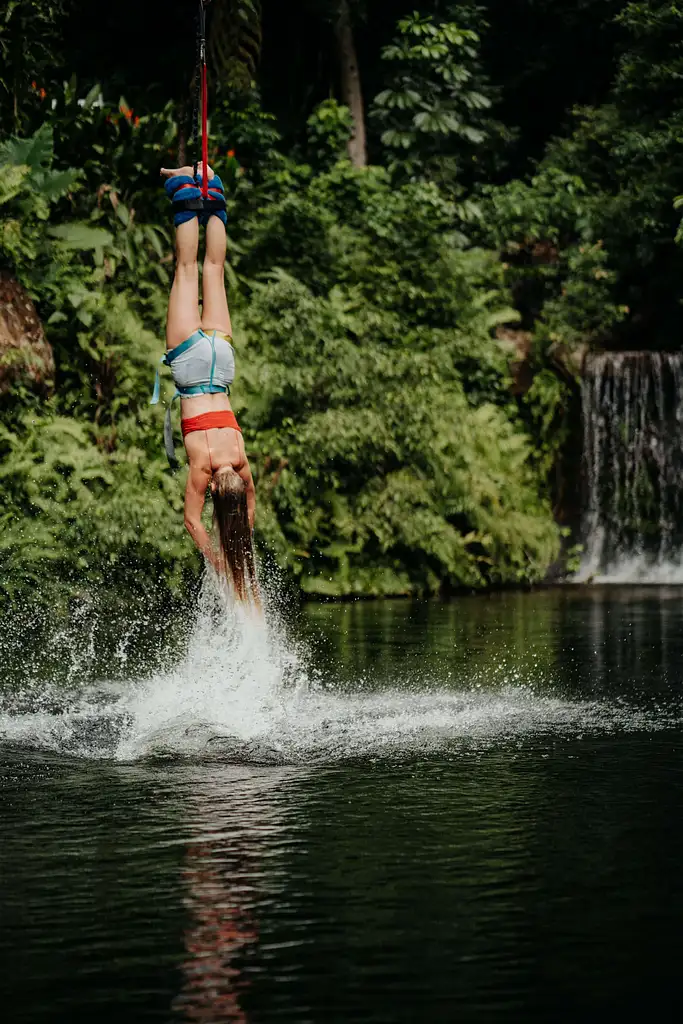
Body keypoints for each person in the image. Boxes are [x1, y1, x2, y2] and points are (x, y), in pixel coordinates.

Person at [155, 162, 259, 605]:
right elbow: (192, 522)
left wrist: (242, 531)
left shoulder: (240, 461)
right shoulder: (204, 471)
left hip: (222, 363)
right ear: (217, 488)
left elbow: (248, 507)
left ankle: (212, 186)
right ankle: (184, 189)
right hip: (195, 372)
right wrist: (216, 561)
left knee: (214, 268)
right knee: (186, 269)